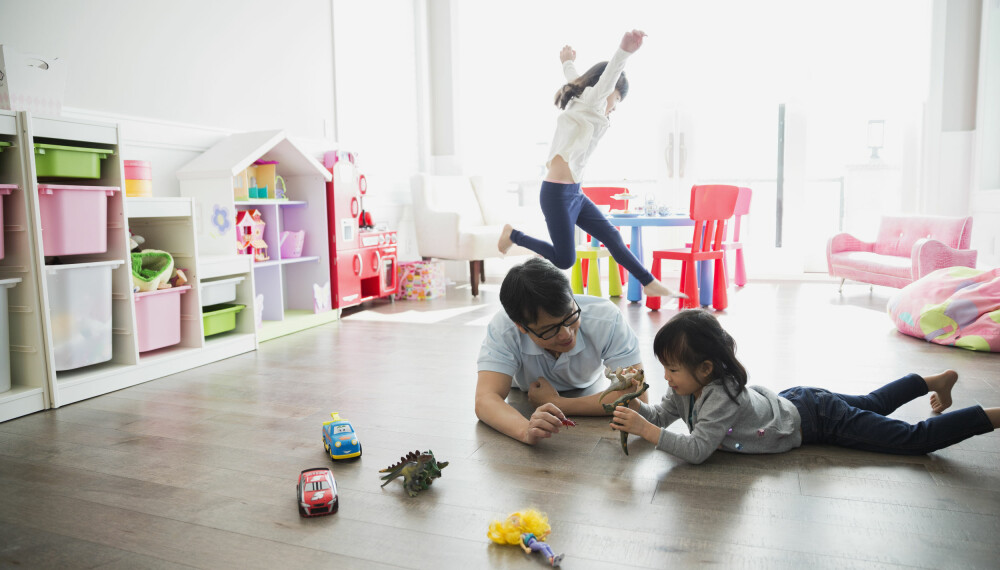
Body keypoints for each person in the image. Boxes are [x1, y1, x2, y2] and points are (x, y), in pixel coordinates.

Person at [610, 309, 999, 464]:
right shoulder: (685, 389)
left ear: (706, 368)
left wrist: (647, 430)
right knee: (871, 403)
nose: (667, 378)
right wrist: (632, 408)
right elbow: (661, 416)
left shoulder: (720, 396)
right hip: (796, 402)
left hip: (817, 419)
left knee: (914, 440)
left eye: (673, 369)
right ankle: (933, 381)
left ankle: (993, 416)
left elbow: (696, 450)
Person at [497, 30, 684, 300]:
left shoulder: (583, 99)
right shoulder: (594, 100)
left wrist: (566, 63)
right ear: (606, 90)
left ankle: (648, 281)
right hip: (556, 195)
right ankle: (514, 235)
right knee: (564, 259)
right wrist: (624, 51)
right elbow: (608, 78)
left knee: (613, 237)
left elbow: (576, 79)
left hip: (574, 192)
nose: (616, 106)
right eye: (617, 98)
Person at [476, 257, 649, 444]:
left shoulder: (606, 318)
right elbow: (485, 399)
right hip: (521, 392)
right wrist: (525, 430)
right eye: (549, 330)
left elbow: (637, 397)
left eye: (570, 316)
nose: (566, 334)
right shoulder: (504, 328)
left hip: (585, 387)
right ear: (522, 327)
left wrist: (560, 404)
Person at [487, 509, 564, 567]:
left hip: (535, 542)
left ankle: (555, 556)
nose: (518, 521)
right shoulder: (521, 536)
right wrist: (525, 549)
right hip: (532, 545)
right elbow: (522, 544)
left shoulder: (529, 533)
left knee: (546, 545)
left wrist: (545, 534)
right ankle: (551, 560)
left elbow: (537, 539)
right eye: (513, 521)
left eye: (517, 519)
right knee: (542, 546)